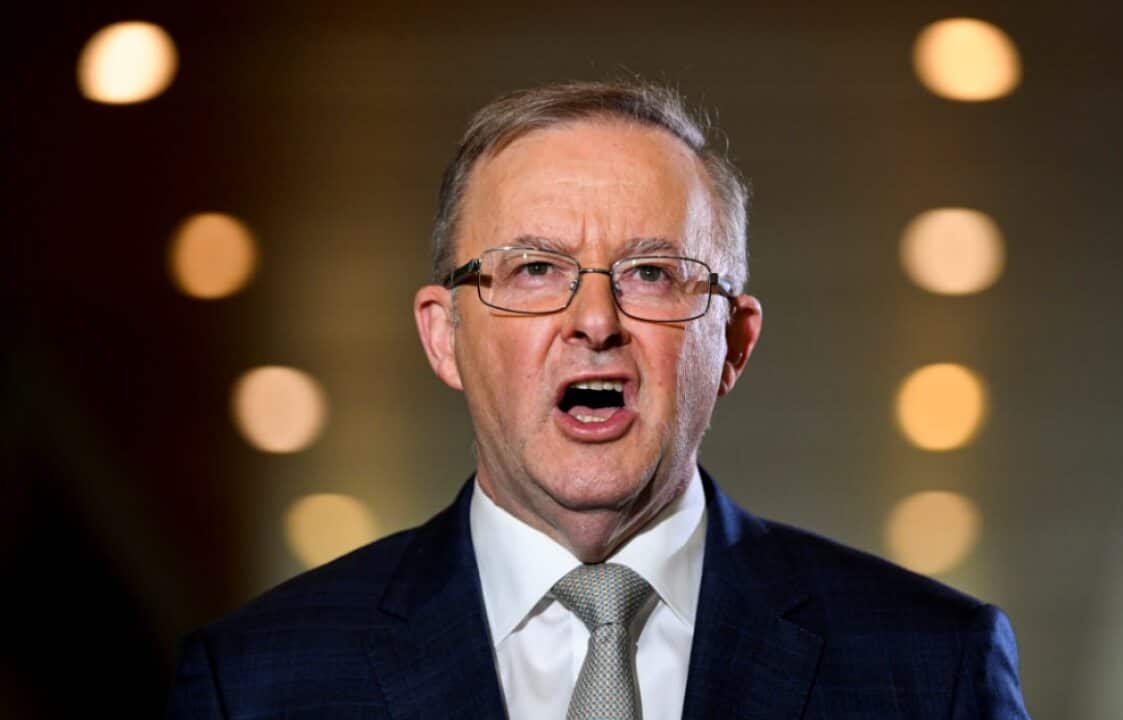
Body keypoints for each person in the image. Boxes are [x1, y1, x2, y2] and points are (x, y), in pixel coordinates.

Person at [167, 79, 1031, 719]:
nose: (594, 320)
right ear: (443, 336)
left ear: (732, 342)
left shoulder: (932, 668)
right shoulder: (254, 684)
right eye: (535, 268)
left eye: (652, 273)